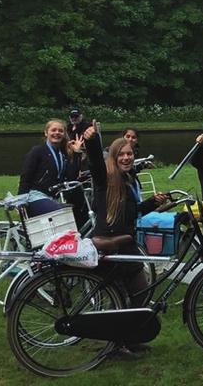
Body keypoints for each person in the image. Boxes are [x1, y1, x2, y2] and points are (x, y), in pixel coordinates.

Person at [81, 121, 168, 358]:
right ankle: (115, 346)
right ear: (114, 156)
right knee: (118, 298)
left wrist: (153, 203)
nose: (127, 158)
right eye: (122, 154)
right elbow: (96, 164)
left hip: (126, 241)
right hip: (110, 243)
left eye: (130, 154)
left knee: (140, 291)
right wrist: (91, 140)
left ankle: (130, 337)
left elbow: (132, 211)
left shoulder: (128, 179)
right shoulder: (106, 178)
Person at [18, 119, 86, 223]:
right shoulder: (38, 151)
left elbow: (71, 176)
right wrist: (21, 201)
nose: (57, 133)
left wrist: (76, 152)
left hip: (53, 198)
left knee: (78, 213)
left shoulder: (62, 154)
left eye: (60, 131)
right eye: (53, 130)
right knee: (61, 215)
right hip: (35, 196)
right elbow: (26, 176)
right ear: (46, 133)